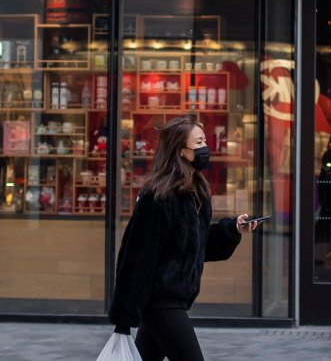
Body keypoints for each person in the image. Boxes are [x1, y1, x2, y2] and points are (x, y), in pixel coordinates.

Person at [109, 116, 260, 361]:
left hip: (174, 299)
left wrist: (232, 229)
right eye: (199, 142)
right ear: (181, 151)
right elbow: (137, 257)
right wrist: (124, 318)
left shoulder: (194, 190)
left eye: (204, 141)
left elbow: (196, 245)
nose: (205, 148)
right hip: (160, 302)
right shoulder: (158, 197)